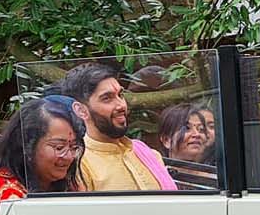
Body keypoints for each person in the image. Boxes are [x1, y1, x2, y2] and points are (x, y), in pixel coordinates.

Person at [60, 64, 177, 192]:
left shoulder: (148, 154)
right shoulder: (79, 165)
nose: (121, 105)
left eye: (120, 95)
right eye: (107, 98)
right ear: (81, 110)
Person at [0, 99, 84, 200]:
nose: (69, 157)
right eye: (59, 147)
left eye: (73, 147)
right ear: (27, 146)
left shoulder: (68, 185)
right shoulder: (7, 194)